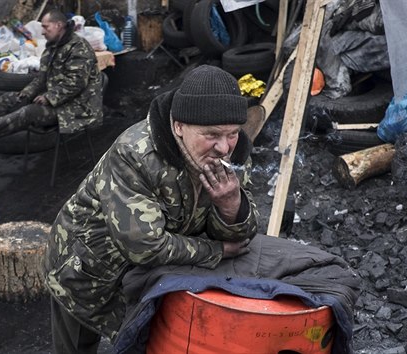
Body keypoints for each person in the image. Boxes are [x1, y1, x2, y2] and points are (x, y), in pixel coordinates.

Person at [43, 64, 259, 353]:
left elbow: (240, 235)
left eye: (232, 133)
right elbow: (145, 246)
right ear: (179, 126)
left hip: (147, 277)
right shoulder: (135, 155)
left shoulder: (233, 153)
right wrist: (216, 251)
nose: (224, 147)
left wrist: (230, 205)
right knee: (78, 344)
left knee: (148, 340)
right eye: (212, 135)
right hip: (83, 269)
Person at [0, 9, 103, 145]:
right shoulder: (52, 48)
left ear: (58, 26)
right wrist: (26, 93)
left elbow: (76, 83)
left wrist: (49, 97)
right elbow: (41, 78)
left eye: (46, 27)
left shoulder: (79, 48)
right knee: (10, 98)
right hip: (59, 102)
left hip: (78, 108)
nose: (42, 31)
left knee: (29, 112)